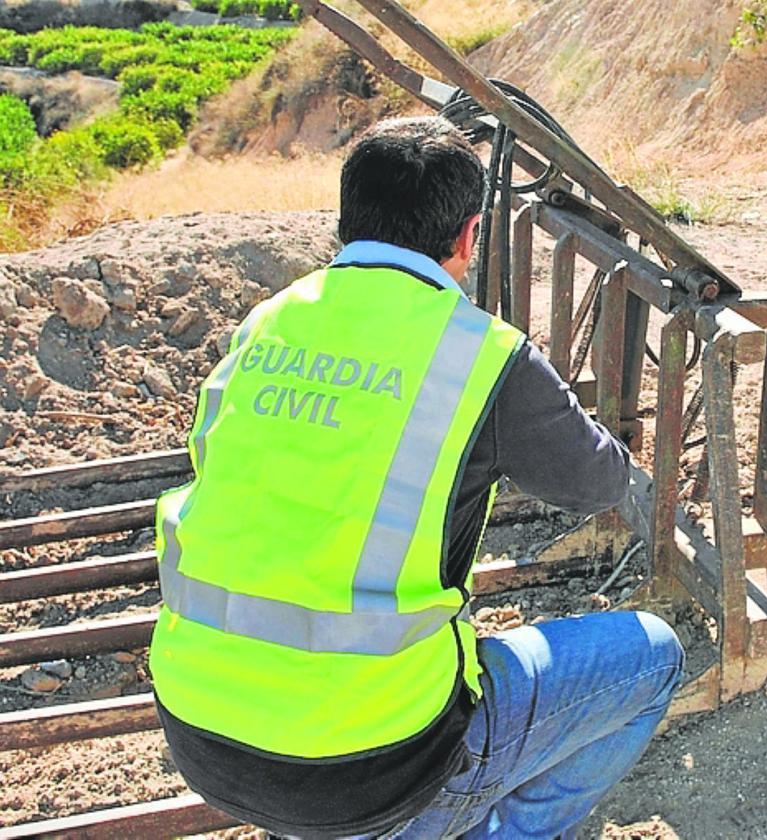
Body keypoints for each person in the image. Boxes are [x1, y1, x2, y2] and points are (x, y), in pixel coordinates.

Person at [148, 116, 683, 840]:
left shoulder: (265, 324)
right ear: (469, 236)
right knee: (651, 656)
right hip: (372, 770)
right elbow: (596, 484)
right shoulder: (482, 356)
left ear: (345, 222)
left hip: (201, 735)